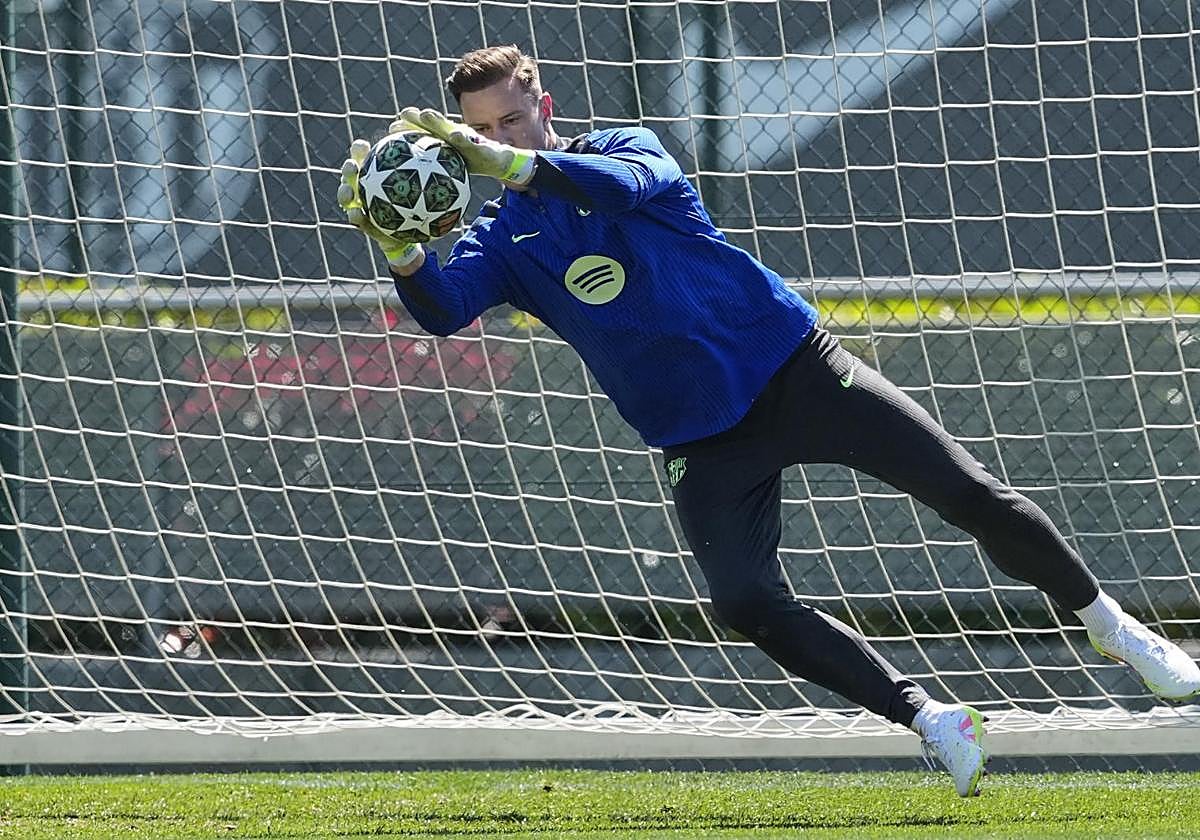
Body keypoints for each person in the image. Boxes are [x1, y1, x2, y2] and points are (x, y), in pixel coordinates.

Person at [336, 45, 1200, 796]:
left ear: (544, 106)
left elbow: (614, 186)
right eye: (482, 127)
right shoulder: (502, 237)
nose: (501, 137)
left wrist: (505, 159)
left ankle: (1114, 628)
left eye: (514, 119)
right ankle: (932, 719)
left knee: (971, 495)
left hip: (795, 369)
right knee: (745, 598)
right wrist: (401, 246)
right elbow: (445, 307)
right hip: (700, 437)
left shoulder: (626, 151)